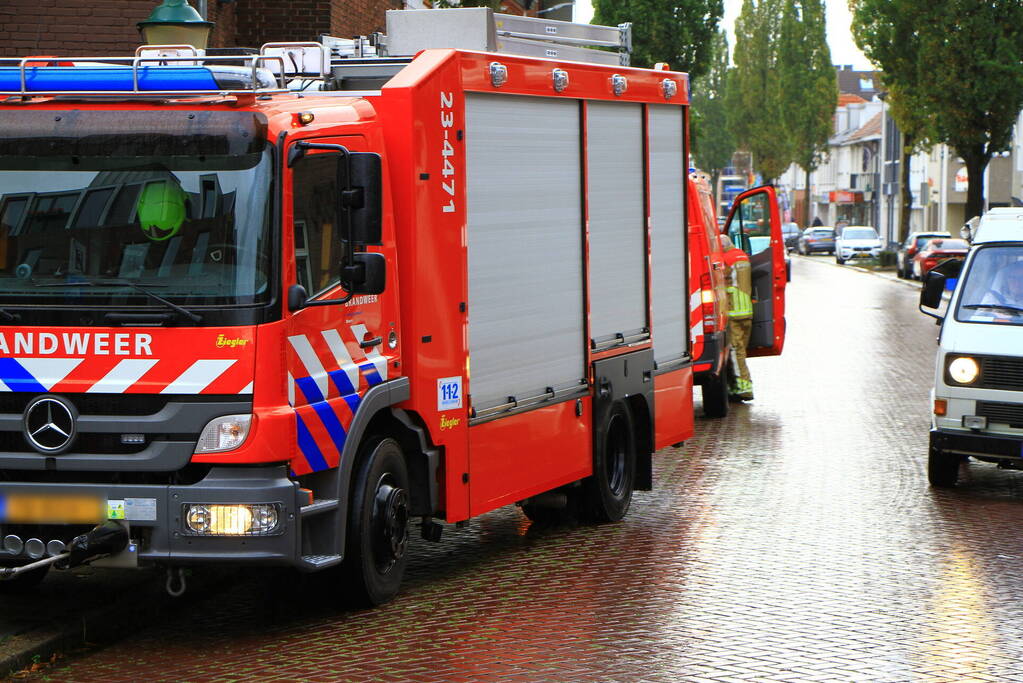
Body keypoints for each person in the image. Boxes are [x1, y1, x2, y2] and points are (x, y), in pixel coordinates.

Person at [719, 234, 754, 401]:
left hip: (733, 312)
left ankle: (742, 388)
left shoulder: (725, 259)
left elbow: (722, 283)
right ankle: (736, 386)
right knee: (741, 350)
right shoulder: (742, 256)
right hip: (747, 311)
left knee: (735, 351)